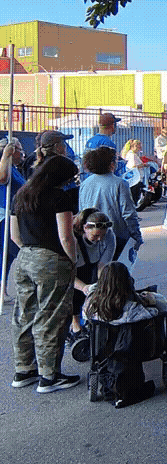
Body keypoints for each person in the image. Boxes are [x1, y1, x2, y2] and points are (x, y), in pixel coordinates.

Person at [10, 154, 81, 393]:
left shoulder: (21, 194)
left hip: (25, 258)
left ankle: (24, 370)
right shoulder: (60, 197)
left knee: (24, 314)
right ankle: (49, 376)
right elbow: (66, 236)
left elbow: (14, 236)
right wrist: (72, 261)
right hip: (51, 259)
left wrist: (29, 251)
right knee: (51, 318)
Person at [84, 261, 167, 407]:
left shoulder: (93, 307)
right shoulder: (135, 308)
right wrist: (149, 298)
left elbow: (85, 313)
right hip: (135, 349)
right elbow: (162, 307)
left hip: (105, 349)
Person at [79, 146, 142, 262]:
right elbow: (129, 214)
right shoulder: (120, 184)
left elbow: (81, 212)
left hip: (91, 236)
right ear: (111, 164)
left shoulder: (85, 184)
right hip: (116, 236)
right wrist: (136, 236)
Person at [66, 208, 116, 347]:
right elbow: (67, 274)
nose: (99, 240)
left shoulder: (109, 236)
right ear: (85, 228)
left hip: (93, 264)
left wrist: (99, 285)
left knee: (100, 288)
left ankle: (92, 320)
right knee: (74, 295)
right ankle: (74, 326)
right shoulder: (72, 240)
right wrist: (84, 287)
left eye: (102, 236)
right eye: (95, 236)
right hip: (73, 268)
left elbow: (103, 265)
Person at [0, 136, 26, 300]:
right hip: (4, 215)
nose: (23, 154)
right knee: (5, 252)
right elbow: (2, 178)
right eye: (20, 150)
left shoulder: (15, 168)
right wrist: (5, 156)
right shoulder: (5, 164)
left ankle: (2, 287)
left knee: (9, 254)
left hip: (14, 213)